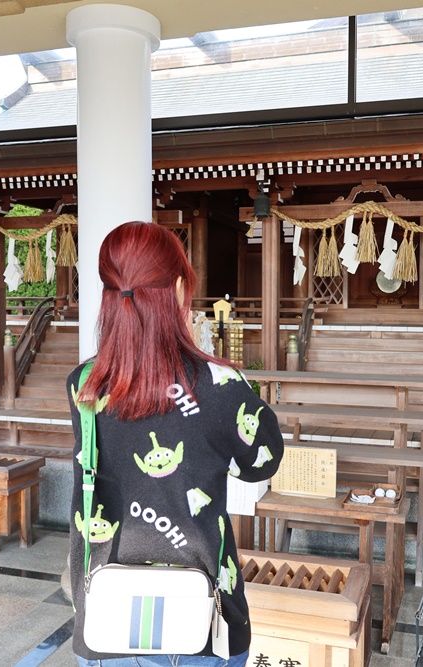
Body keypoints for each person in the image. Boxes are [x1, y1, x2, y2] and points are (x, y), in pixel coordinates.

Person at [67, 221, 284, 667]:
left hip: (107, 617)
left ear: (109, 293)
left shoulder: (85, 385)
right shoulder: (220, 386)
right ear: (181, 288)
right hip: (204, 619)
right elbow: (260, 463)